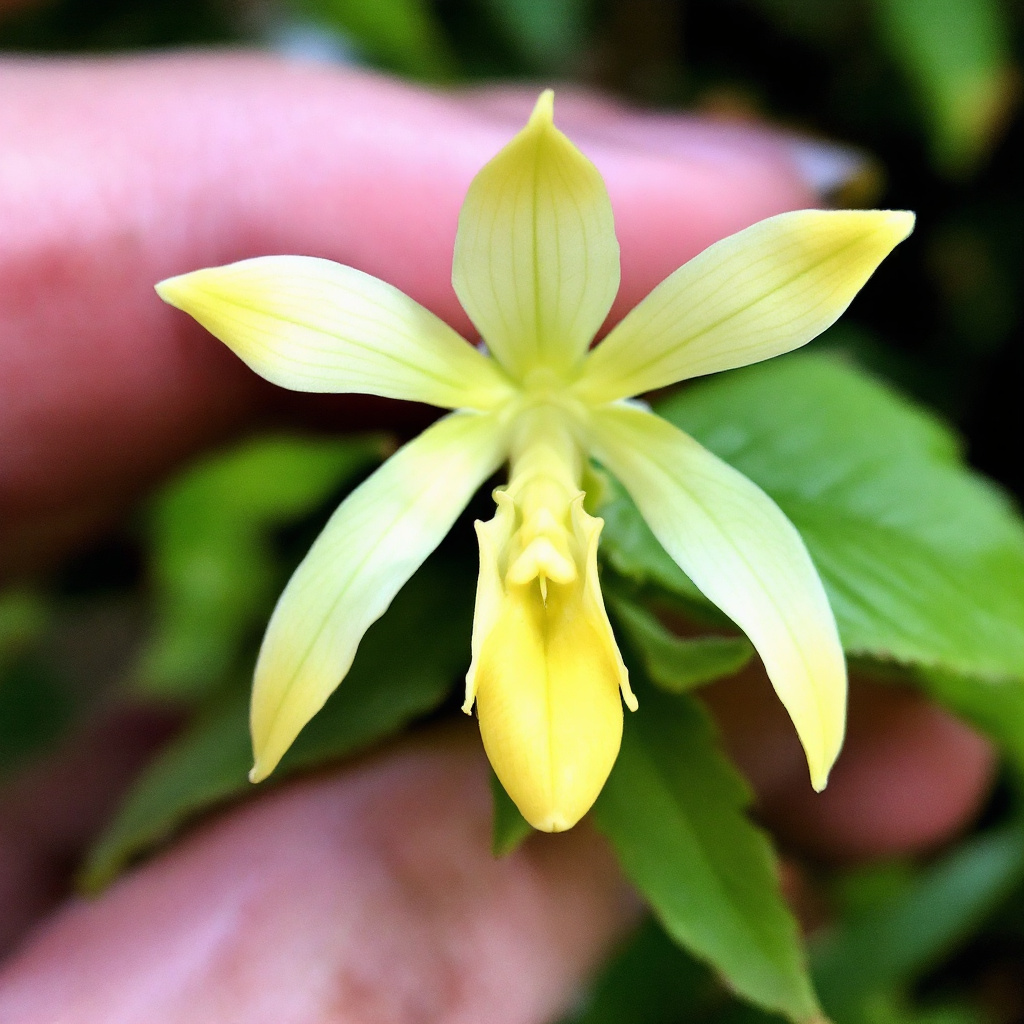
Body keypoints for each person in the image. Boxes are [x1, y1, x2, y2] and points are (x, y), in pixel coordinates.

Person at [0, 53, 995, 1023]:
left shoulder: (634, 461)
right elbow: (335, 597)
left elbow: (775, 591)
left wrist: (810, 701)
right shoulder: (436, 468)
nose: (547, 557)